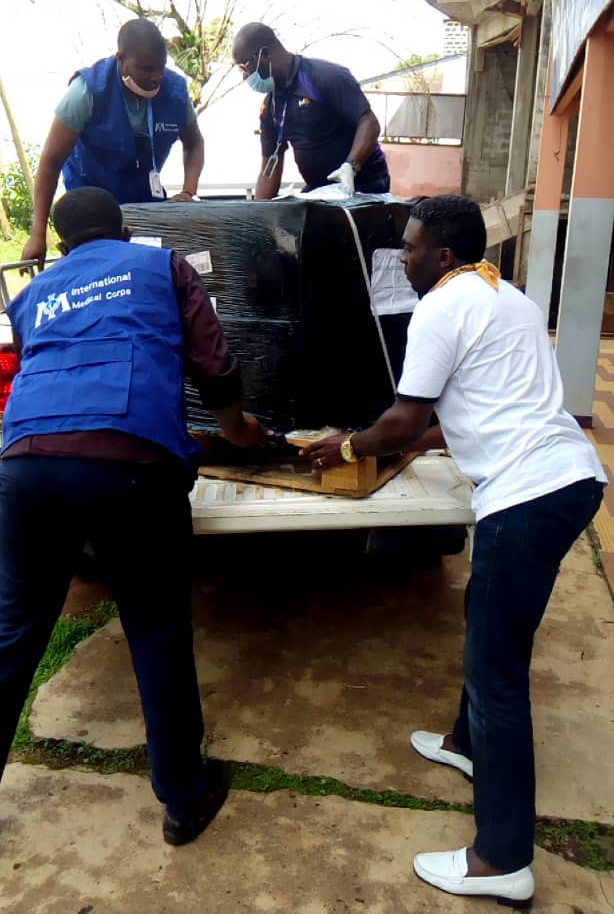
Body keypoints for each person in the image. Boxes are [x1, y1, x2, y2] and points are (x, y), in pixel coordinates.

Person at [302, 195, 606, 906]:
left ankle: (501, 860)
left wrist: (343, 444)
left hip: (525, 494)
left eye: (408, 247)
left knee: (498, 674)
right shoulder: (509, 298)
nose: (401, 257)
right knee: (488, 617)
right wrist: (400, 438)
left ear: (441, 254)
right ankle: (468, 745)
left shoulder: (439, 306)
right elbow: (472, 410)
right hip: (572, 476)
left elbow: (406, 418)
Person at [0, 186, 268, 846]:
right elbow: (213, 362)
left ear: (60, 245)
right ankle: (183, 795)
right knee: (155, 627)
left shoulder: (31, 294)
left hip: (25, 464)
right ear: (123, 229)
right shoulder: (160, 266)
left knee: (12, 637)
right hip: (128, 465)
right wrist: (237, 429)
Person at [22, 19, 205, 269]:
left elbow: (194, 144)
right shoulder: (86, 90)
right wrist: (38, 233)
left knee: (150, 272)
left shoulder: (174, 91)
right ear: (121, 59)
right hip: (90, 210)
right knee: (99, 275)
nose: (157, 78)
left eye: (161, 68)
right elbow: (51, 162)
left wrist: (188, 191)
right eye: (147, 69)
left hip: (144, 204)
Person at [232, 22, 390, 199]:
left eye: (245, 67)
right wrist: (258, 217)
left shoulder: (325, 77)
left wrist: (351, 167)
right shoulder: (270, 106)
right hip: (320, 192)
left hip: (364, 186)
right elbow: (270, 166)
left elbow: (369, 123)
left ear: (266, 53)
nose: (245, 77)